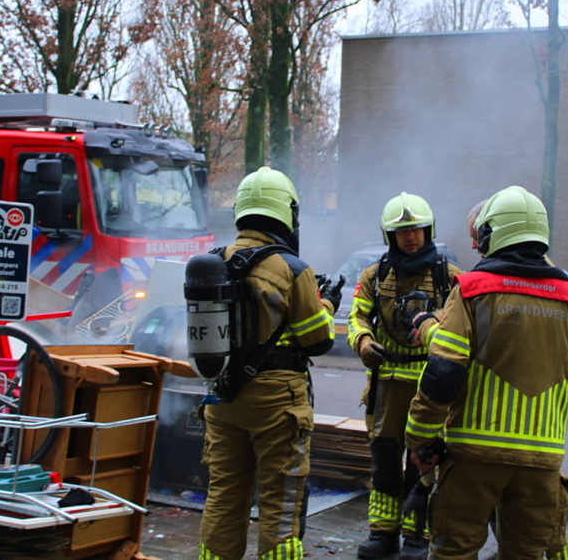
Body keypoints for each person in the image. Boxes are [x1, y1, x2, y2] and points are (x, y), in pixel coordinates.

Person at [406, 186, 568, 560]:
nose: (476, 244)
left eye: (481, 235)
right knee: (526, 553)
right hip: (540, 462)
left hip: (472, 459)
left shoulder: (473, 290)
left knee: (454, 552)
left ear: (494, 233)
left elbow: (443, 373)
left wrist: (420, 437)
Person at [197, 167, 342, 560]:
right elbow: (317, 340)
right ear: (287, 213)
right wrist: (327, 304)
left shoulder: (215, 261)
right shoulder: (292, 268)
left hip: (222, 397)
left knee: (224, 495)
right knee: (280, 502)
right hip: (276, 403)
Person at [347, 192, 463, 560]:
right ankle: (383, 534)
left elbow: (462, 327)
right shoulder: (375, 274)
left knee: (423, 458)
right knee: (384, 459)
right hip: (386, 385)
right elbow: (357, 316)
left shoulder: (450, 276)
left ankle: (417, 536)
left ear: (429, 231)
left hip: (430, 386)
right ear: (390, 235)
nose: (410, 237)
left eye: (416, 230)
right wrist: (363, 342)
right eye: (402, 232)